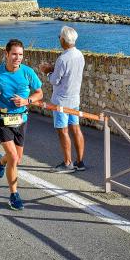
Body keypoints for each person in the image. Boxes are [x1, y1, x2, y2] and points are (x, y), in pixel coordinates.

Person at [0, 39, 43, 210]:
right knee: (14, 158)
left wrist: (26, 100)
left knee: (16, 159)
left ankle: (0, 162)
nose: (18, 58)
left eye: (21, 54)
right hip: (2, 119)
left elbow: (39, 93)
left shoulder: (28, 72)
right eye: (14, 54)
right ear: (6, 54)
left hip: (21, 119)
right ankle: (13, 195)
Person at [39, 26, 86, 173]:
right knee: (76, 128)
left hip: (61, 101)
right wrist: (54, 68)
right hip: (74, 100)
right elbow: (70, 74)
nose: (59, 38)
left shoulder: (62, 58)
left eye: (59, 36)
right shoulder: (80, 55)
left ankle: (67, 163)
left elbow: (55, 81)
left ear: (64, 40)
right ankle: (80, 162)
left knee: (62, 130)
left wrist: (47, 72)